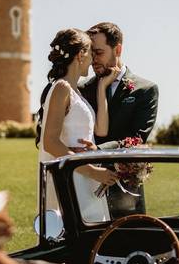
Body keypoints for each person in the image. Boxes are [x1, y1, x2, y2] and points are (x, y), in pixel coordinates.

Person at [36, 28, 119, 222]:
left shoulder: (76, 91)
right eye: (91, 53)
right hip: (72, 178)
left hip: (84, 178)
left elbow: (101, 130)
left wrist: (102, 87)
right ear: (81, 55)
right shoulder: (61, 88)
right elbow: (50, 142)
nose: (93, 59)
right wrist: (93, 171)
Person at [80, 22, 159, 216]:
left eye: (98, 53)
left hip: (126, 189)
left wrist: (98, 151)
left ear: (118, 49)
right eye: (91, 54)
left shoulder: (145, 89)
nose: (93, 60)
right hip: (85, 181)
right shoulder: (82, 90)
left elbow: (137, 138)